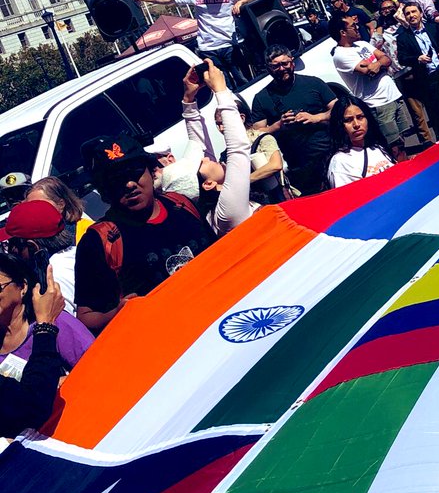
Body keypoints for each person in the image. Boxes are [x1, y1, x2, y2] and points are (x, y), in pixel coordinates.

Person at [74, 135, 216, 333]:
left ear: (152, 171)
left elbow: (220, 255)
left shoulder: (182, 205)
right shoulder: (99, 240)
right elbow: (85, 318)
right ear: (103, 189)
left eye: (134, 172)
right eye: (116, 179)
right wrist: (118, 313)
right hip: (171, 343)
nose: (129, 184)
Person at [132, 0, 260, 84]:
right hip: (208, 47)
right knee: (223, 84)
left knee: (243, 80)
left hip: (229, 44)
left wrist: (241, 1)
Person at [250, 47, 337, 196]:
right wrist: (279, 125)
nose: (281, 68)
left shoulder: (313, 83)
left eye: (285, 63)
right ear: (268, 69)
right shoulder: (261, 98)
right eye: (275, 66)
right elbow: (256, 133)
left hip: (330, 155)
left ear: (293, 63)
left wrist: (314, 117)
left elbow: (340, 111)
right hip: (299, 167)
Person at [0, 261, 72, 438]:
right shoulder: (47, 325)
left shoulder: (60, 323)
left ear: (23, 287)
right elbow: (32, 404)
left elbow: (96, 363)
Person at [329, 10, 411, 161]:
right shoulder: (341, 55)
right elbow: (368, 71)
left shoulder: (362, 44)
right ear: (343, 32)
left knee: (402, 138)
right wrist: (378, 64)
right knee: (392, 145)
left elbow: (386, 59)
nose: (358, 28)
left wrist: (377, 64)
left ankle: (407, 166)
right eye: (353, 26)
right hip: (378, 103)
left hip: (392, 96)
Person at [182, 63, 253, 236]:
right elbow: (238, 147)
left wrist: (189, 100)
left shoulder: (216, 202)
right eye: (201, 163)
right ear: (208, 184)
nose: (205, 157)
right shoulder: (227, 210)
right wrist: (221, 90)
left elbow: (199, 146)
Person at [394, 1, 439, 143]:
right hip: (426, 77)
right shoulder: (402, 37)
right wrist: (417, 59)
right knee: (435, 110)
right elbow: (402, 58)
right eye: (407, 13)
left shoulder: (433, 27)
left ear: (420, 13)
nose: (411, 15)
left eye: (414, 12)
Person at [326, 97, 395, 189]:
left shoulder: (378, 147)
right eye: (348, 120)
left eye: (360, 117)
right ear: (339, 125)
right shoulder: (341, 163)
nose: (356, 124)